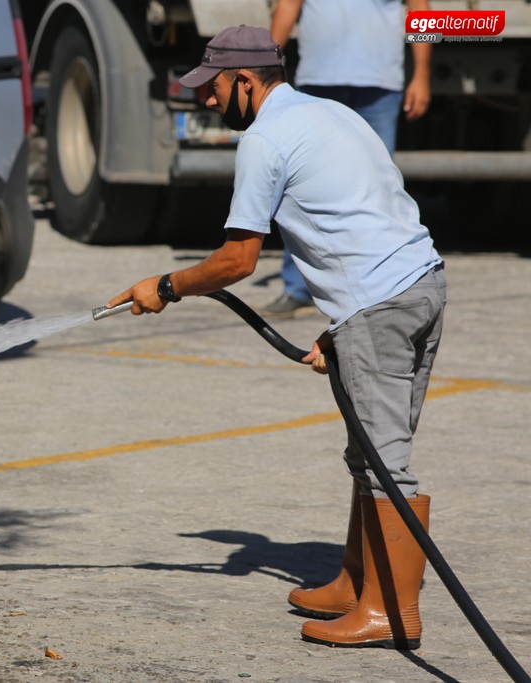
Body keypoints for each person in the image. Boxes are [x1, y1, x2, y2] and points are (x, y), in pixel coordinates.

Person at [106, 25, 446, 650]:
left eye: (212, 89)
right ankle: (355, 582)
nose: (207, 102)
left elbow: (237, 261)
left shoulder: (264, 139)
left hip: (379, 305)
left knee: (385, 463)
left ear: (244, 80)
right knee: (369, 452)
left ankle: (392, 615)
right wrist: (343, 326)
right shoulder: (329, 112)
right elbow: (363, 212)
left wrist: (165, 286)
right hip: (421, 286)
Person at [263, 0, 432, 319]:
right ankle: (297, 288)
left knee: (378, 190)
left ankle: (383, 287)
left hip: (379, 88)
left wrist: (421, 74)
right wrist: (267, 70)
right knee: (301, 185)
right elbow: (286, 7)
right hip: (317, 82)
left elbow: (420, 11)